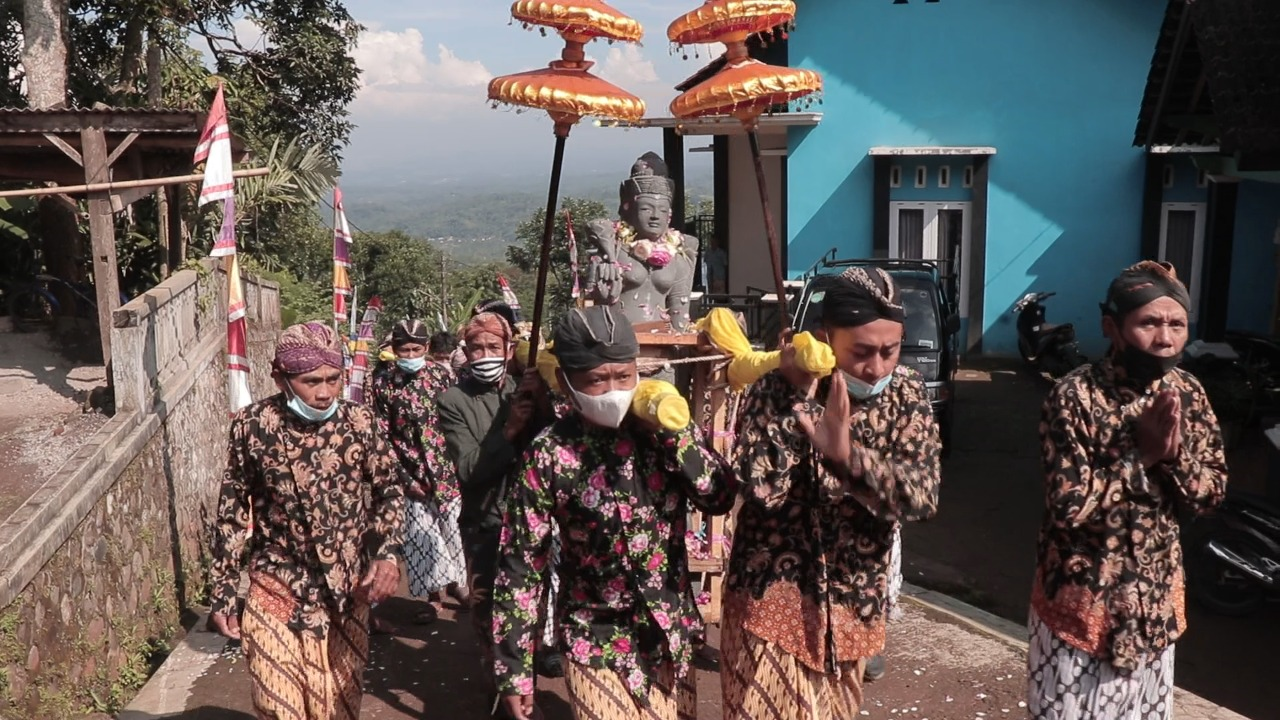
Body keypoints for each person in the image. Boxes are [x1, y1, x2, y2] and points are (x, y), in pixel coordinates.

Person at [492, 305, 738, 720]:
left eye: (623, 376)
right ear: (566, 384)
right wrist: (514, 670)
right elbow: (520, 562)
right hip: (594, 636)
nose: (613, 389)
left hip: (667, 634)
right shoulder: (549, 453)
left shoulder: (663, 430)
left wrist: (676, 436)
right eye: (597, 380)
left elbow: (719, 497)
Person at [721, 266, 942, 719]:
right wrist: (794, 398)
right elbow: (759, 487)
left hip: (851, 605)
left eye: (890, 351)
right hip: (770, 604)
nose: (877, 366)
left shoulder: (907, 395)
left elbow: (922, 495)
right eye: (861, 351)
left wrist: (848, 459)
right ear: (824, 337)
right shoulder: (772, 388)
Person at [1027, 260, 1228, 720]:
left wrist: (1174, 457)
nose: (1165, 339)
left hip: (1153, 612)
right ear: (1112, 328)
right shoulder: (1074, 397)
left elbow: (1212, 494)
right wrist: (1142, 458)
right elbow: (1067, 505)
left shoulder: (1189, 393)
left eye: (1177, 324)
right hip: (1080, 611)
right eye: (1149, 323)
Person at [207, 321, 403, 720]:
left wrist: (386, 553)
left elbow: (389, 491)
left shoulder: (360, 423)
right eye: (311, 381)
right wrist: (224, 590)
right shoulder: (252, 426)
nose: (324, 393)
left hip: (346, 595)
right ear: (280, 377)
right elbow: (231, 511)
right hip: (276, 586)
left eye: (334, 379)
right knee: (279, 708)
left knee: (336, 708)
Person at [438, 310, 560, 704]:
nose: (485, 354)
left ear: (509, 351)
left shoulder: (523, 389)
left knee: (530, 609)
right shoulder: (453, 401)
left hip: (530, 518)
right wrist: (507, 431)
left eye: (494, 346)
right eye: (477, 348)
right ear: (466, 353)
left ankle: (526, 684)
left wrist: (539, 405)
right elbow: (469, 469)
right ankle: (500, 688)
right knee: (488, 609)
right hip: (484, 522)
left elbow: (552, 445)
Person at [370, 319, 468, 625]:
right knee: (421, 537)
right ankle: (432, 597)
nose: (410, 353)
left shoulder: (442, 376)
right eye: (404, 348)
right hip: (409, 472)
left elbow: (455, 421)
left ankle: (460, 586)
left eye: (416, 348)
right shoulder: (383, 382)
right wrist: (403, 477)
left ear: (426, 349)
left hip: (446, 470)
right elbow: (381, 435)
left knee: (453, 531)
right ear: (394, 349)